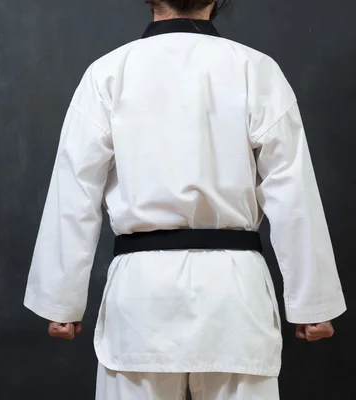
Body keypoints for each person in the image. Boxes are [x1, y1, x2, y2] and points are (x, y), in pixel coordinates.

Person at [23, 0, 347, 398]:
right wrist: (314, 303)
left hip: (142, 298)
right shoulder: (255, 70)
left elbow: (74, 191)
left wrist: (61, 302)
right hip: (234, 296)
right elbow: (292, 191)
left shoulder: (108, 73)